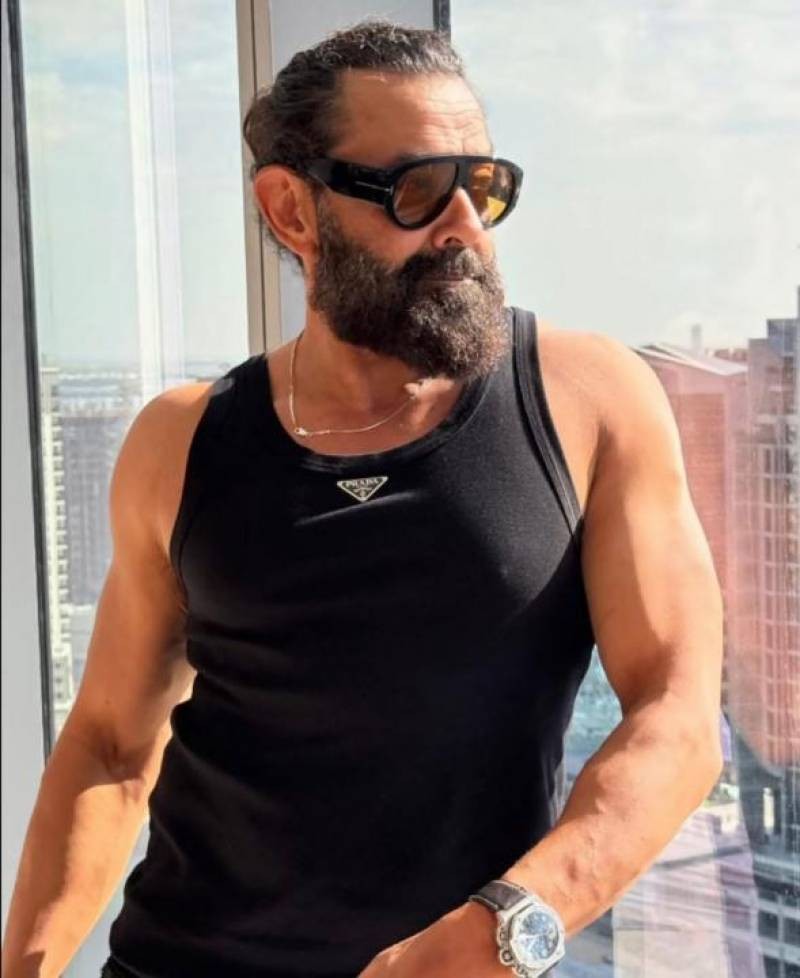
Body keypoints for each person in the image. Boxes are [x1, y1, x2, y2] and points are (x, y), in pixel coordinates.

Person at [2, 20, 724, 978]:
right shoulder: (179, 441)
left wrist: (501, 931)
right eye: (419, 190)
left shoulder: (588, 399)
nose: (465, 226)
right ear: (292, 210)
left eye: (484, 186)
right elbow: (107, 747)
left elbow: (678, 717)